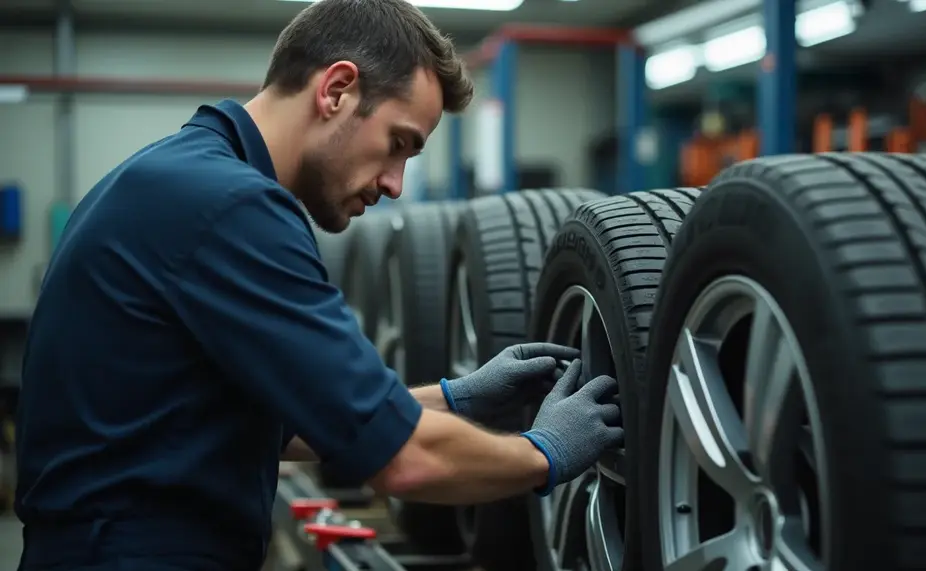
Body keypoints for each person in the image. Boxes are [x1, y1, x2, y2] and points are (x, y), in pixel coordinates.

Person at [13, 0, 624, 569]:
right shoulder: (232, 209)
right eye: (398, 144)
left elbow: (285, 425)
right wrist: (545, 452)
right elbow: (404, 462)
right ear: (336, 90)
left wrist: (456, 397)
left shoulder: (180, 178)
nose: (395, 185)